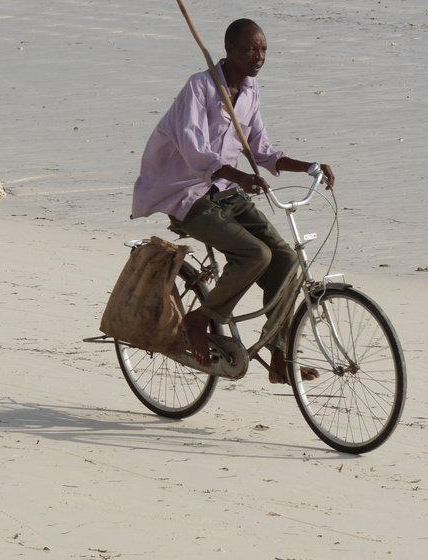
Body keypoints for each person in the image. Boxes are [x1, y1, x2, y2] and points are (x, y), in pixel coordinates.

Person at [132, 19, 334, 384]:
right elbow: (195, 154)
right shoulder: (200, 87)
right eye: (250, 50)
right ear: (229, 50)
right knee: (255, 255)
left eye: (263, 50)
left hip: (226, 190)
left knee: (285, 259)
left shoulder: (251, 90)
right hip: (183, 192)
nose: (259, 57)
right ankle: (201, 317)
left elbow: (262, 150)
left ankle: (278, 355)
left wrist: (309, 166)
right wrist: (240, 176)